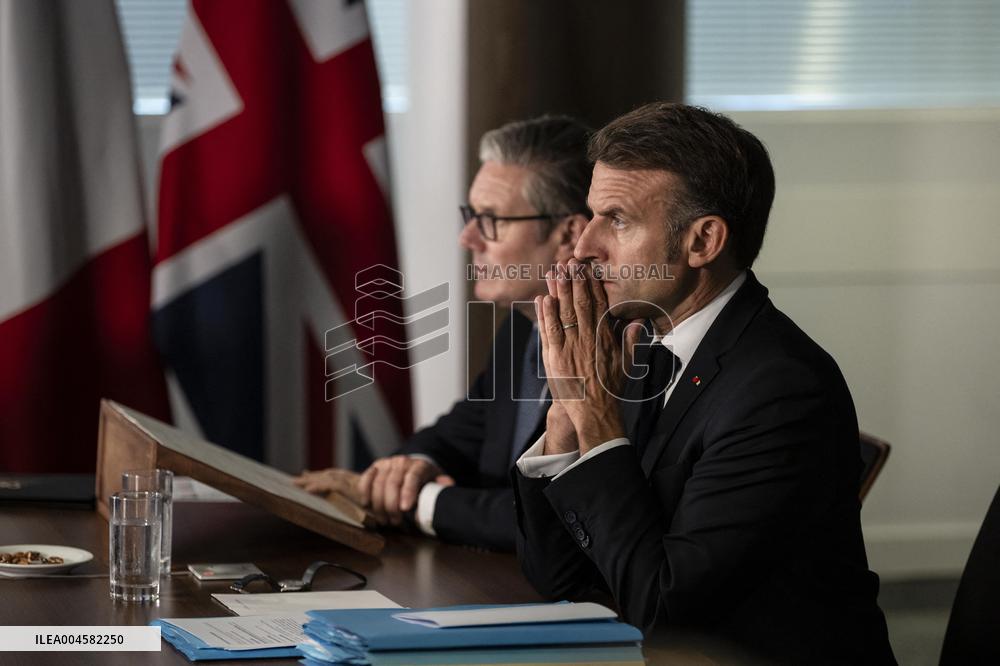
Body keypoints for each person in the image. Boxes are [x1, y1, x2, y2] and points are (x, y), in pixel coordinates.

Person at [514, 103, 896, 663]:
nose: (584, 247)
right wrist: (565, 425)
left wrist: (595, 415)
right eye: (590, 216)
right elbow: (557, 577)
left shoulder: (782, 389)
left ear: (703, 241)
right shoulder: (639, 346)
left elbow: (666, 611)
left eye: (616, 219)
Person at [295, 115, 592, 551]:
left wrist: (422, 502)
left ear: (569, 234)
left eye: (491, 220)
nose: (468, 238)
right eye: (471, 215)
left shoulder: (619, 348)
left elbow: (559, 520)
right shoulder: (522, 326)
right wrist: (410, 467)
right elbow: (460, 433)